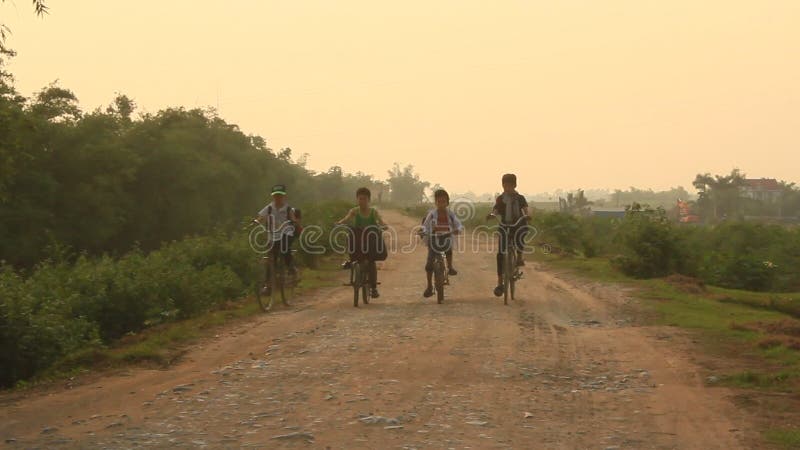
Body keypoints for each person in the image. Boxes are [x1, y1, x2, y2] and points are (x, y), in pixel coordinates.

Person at [336, 187, 388, 298]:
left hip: (370, 242)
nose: (361, 201)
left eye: (364, 199)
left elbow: (381, 221)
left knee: (371, 262)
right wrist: (339, 223)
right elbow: (346, 219)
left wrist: (384, 225)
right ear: (357, 199)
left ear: (368, 200)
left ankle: (374, 288)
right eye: (359, 199)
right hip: (359, 240)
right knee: (350, 237)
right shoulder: (354, 211)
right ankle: (351, 261)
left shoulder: (373, 212)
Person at [487, 174, 529, 297]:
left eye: (510, 185)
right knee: (500, 254)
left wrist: (527, 215)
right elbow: (496, 210)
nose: (507, 188)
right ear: (502, 185)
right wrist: (492, 215)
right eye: (505, 185)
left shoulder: (520, 198)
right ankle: (500, 283)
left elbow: (526, 209)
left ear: (515, 185)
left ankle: (519, 257)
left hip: (518, 223)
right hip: (505, 225)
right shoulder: (501, 199)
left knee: (521, 233)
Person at [256, 184, 300, 295]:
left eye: (280, 195)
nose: (278, 198)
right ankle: (268, 285)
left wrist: (294, 221)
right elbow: (261, 217)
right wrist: (256, 221)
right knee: (271, 259)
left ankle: (291, 269)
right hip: (273, 235)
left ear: (284, 196)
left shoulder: (288, 208)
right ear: (273, 196)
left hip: (286, 233)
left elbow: (293, 218)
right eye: (276, 196)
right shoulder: (269, 208)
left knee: (285, 248)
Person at [420, 189, 463, 298]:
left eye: (443, 202)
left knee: (448, 250)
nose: (441, 204)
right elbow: (425, 225)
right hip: (434, 239)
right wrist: (423, 231)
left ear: (447, 202)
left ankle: (450, 267)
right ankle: (429, 286)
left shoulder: (450, 214)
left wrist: (458, 229)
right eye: (439, 202)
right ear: (436, 203)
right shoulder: (432, 214)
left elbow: (457, 223)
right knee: (429, 264)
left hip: (446, 237)